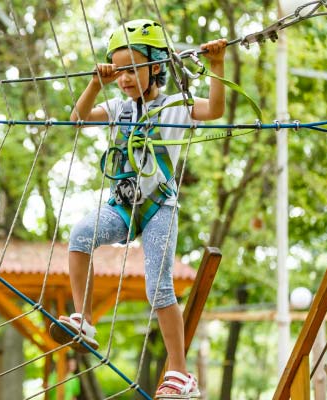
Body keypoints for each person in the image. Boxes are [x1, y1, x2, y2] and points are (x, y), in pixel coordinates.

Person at [49, 19, 226, 399]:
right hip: (124, 206)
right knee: (80, 235)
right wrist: (97, 82)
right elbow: (78, 118)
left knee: (158, 288)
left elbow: (214, 110)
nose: (126, 78)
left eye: (133, 68)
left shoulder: (177, 105)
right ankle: (84, 319)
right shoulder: (118, 107)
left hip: (159, 206)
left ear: (157, 66)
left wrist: (217, 65)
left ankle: (180, 373)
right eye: (120, 70)